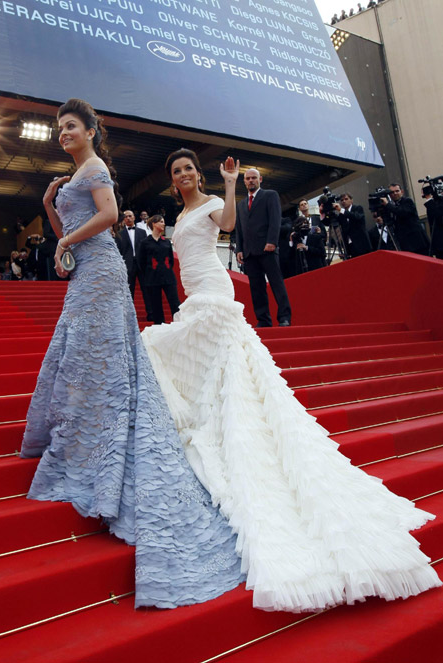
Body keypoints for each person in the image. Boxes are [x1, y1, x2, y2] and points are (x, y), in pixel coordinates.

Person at [142, 147, 441, 614]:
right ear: (172, 179)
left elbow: (226, 225)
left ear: (197, 174)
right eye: (176, 171)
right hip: (195, 293)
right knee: (211, 368)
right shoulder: (175, 215)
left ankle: (230, 433)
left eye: (187, 169)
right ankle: (218, 423)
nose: (182, 175)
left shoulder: (211, 204)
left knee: (183, 354)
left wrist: (229, 182)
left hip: (215, 295)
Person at [20, 99, 244, 610]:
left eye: (71, 126)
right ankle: (86, 432)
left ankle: (102, 437)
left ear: (92, 131)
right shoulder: (73, 176)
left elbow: (105, 217)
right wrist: (53, 208)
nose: (63, 134)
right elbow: (66, 238)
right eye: (59, 129)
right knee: (78, 359)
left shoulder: (96, 168)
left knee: (98, 363)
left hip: (101, 277)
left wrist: (66, 237)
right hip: (84, 277)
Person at [236, 168, 291, 327]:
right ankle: (263, 320)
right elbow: (239, 228)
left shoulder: (270, 195)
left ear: (260, 180)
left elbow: (275, 219)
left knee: (276, 283)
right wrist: (239, 249)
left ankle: (284, 317)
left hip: (268, 249)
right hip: (249, 252)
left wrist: (272, 241)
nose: (251, 180)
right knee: (256, 288)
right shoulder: (240, 204)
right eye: (248, 178)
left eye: (254, 177)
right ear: (245, 181)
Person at [138, 214, 180, 324]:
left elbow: (170, 260)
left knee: (175, 303)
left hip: (168, 277)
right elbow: (141, 262)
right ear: (154, 224)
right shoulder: (145, 243)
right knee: (156, 305)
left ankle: (179, 325)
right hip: (152, 279)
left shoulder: (166, 242)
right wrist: (150, 272)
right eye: (161, 222)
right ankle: (160, 328)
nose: (164, 224)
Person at [380, 184, 430, 255]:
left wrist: (388, 204)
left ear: (402, 192)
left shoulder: (407, 201)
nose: (395, 193)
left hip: (417, 243)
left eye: (397, 191)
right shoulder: (392, 206)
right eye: (392, 192)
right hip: (405, 244)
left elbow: (402, 212)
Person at [338, 192, 372, 258]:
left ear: (351, 200)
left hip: (362, 244)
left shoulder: (358, 208)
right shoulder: (341, 215)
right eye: (342, 200)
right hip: (350, 246)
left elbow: (356, 217)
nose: (344, 201)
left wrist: (341, 210)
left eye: (346, 199)